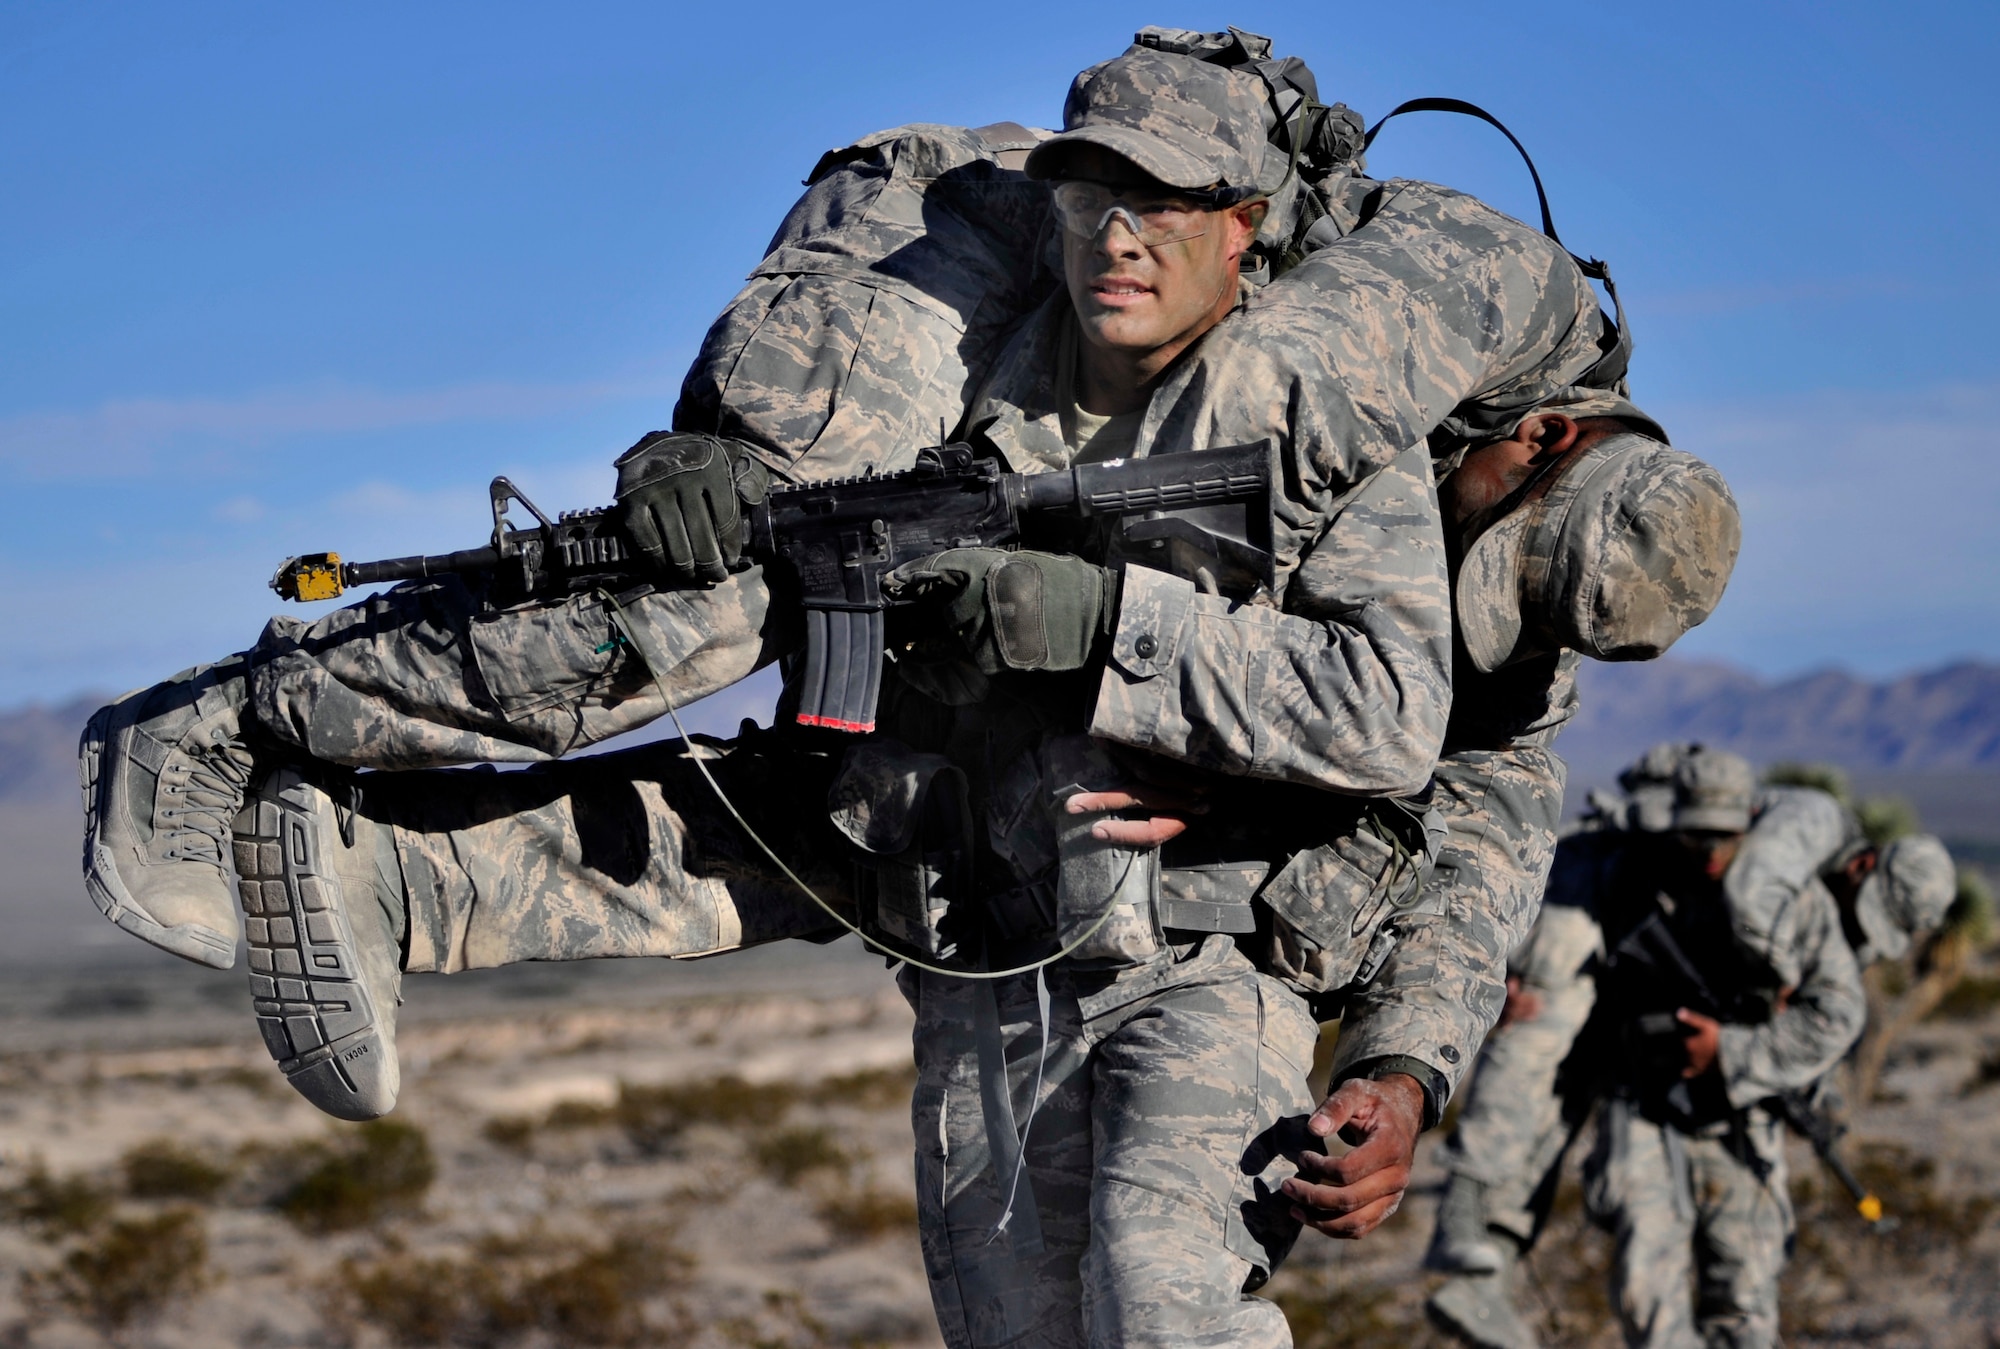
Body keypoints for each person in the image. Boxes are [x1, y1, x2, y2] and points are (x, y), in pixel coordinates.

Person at [79, 33, 1739, 1348]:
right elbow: (1208, 398)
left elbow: (1455, 803)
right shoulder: (1385, 312)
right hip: (979, 827)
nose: (1491, 614)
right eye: (1505, 552)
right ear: (1555, 440)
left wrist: (1409, 1062)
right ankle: (284, 764)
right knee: (725, 625)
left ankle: (376, 847)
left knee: (1154, 1282)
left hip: (1167, 937)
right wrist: (731, 465)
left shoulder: (1450, 566)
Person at [1425, 746, 1954, 1349]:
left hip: (1732, 1101)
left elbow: (1827, 1015)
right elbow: (1755, 899)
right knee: (1551, 1064)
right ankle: (1477, 1243)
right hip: (1642, 1075)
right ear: (1864, 868)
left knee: (1745, 1286)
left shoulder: (1819, 915)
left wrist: (1740, 1052)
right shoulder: (1793, 838)